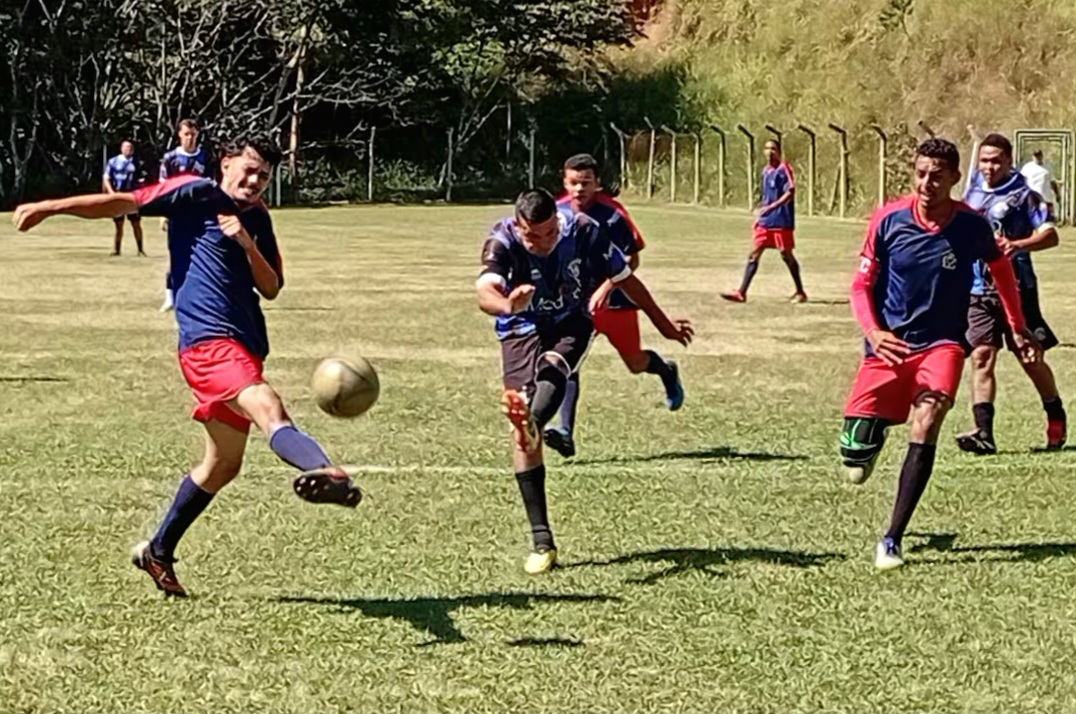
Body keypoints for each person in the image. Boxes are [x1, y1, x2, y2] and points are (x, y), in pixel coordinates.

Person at [13, 134, 361, 598]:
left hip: (246, 344)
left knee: (222, 465)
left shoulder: (257, 217)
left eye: (265, 176)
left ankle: (157, 550)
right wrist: (51, 207)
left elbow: (272, 286)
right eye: (250, 170)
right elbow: (122, 201)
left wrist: (245, 244)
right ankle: (326, 471)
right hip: (207, 345)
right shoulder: (194, 192)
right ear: (226, 164)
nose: (256, 181)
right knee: (267, 404)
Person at [838, 138, 1040, 570]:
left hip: (944, 343)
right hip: (889, 344)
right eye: (921, 173)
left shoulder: (971, 226)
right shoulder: (888, 219)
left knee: (928, 417)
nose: (927, 182)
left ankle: (892, 539)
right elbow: (859, 287)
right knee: (853, 458)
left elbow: (1001, 270)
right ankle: (868, 442)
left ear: (953, 178)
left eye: (937, 175)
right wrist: (873, 332)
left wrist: (1018, 325)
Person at [477, 188, 693, 574]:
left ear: (555, 223)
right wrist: (509, 304)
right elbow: (485, 292)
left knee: (556, 369)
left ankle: (532, 422)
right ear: (518, 225)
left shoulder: (583, 230)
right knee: (524, 432)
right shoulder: (503, 238)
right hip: (519, 328)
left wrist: (664, 325)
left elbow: (627, 280)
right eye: (532, 236)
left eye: (548, 234)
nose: (541, 244)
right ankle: (542, 541)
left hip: (570, 323)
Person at [544, 154, 684, 459]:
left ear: (598, 183)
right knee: (569, 362)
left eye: (586, 182)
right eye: (573, 183)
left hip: (618, 304)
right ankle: (565, 431)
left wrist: (607, 286)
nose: (579, 189)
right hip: (578, 307)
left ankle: (666, 370)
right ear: (564, 182)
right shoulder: (557, 213)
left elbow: (632, 258)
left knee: (635, 362)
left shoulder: (613, 214)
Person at [957, 134, 1065, 454]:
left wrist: (1016, 245)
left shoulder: (1024, 196)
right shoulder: (971, 192)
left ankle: (1056, 416)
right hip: (978, 291)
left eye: (996, 160)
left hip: (1018, 289)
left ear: (1008, 161)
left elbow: (1050, 235)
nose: (989, 166)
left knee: (1030, 360)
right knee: (981, 356)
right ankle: (984, 433)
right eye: (984, 160)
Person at [721, 139, 806, 303]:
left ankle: (800, 292)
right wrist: (760, 215)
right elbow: (766, 197)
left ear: (779, 151)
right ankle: (741, 292)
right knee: (755, 253)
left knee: (786, 254)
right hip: (767, 221)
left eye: (773, 148)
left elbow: (791, 191)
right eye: (766, 148)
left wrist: (773, 207)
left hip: (782, 221)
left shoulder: (784, 169)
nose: (769, 152)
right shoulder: (765, 171)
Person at [159, 119, 214, 312]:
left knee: (203, 255)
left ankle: (201, 297)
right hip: (177, 213)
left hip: (200, 214)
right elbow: (163, 187)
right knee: (176, 255)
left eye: (193, 134)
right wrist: (165, 213)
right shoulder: (170, 158)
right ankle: (170, 296)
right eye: (186, 134)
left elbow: (211, 185)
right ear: (179, 135)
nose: (190, 138)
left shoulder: (205, 158)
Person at [102, 140, 145, 257]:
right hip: (118, 196)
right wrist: (111, 193)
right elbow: (106, 178)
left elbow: (142, 180)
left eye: (131, 148)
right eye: (126, 147)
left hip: (132, 197)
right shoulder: (113, 161)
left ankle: (140, 249)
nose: (129, 150)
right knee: (119, 225)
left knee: (136, 223)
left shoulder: (137, 163)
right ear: (121, 148)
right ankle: (117, 250)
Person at [1020, 149, 1061, 217]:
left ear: (1042, 156)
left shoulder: (1047, 167)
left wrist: (1057, 194)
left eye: (1039, 155)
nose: (1037, 157)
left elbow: (1052, 182)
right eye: (1035, 156)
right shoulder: (1027, 167)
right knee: (1032, 219)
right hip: (1032, 198)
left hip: (1046, 197)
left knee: (1048, 219)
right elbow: (1021, 181)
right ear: (1033, 157)